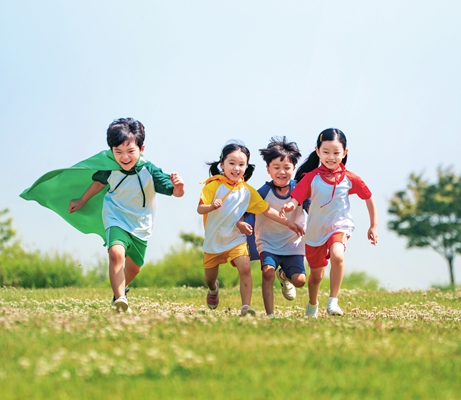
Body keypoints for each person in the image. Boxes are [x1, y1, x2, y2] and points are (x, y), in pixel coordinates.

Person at [21, 118, 184, 313]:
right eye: (118, 152)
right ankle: (121, 300)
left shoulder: (150, 171)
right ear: (112, 150)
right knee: (116, 254)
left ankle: (118, 293)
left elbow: (175, 192)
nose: (124, 157)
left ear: (142, 149)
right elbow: (98, 183)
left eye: (130, 151)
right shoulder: (109, 167)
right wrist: (81, 200)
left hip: (141, 224)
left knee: (134, 269)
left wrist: (179, 187)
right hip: (115, 216)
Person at [197, 142, 304, 317]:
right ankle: (213, 289)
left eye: (241, 164)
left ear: (246, 167)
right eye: (231, 163)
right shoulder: (212, 186)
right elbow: (200, 209)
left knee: (245, 268)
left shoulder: (247, 191)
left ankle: (246, 307)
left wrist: (288, 223)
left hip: (236, 239)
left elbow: (266, 210)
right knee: (209, 278)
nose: (236, 168)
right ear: (222, 164)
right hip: (214, 240)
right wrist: (211, 207)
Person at [282, 128, 377, 318]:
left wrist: (373, 225)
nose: (331, 157)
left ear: (345, 153)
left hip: (339, 226)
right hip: (316, 231)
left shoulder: (350, 178)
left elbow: (368, 197)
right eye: (325, 152)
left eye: (336, 153)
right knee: (316, 276)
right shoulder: (312, 177)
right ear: (317, 152)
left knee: (338, 256)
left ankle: (333, 301)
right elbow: (297, 196)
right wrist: (290, 206)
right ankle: (312, 304)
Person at [241, 137, 307, 318]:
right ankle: (270, 315)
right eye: (276, 167)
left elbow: (312, 207)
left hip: (293, 243)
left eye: (287, 167)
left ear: (294, 168)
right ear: (268, 169)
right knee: (268, 273)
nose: (282, 172)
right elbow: (246, 209)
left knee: (300, 281)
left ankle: (285, 276)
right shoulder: (263, 192)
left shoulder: (301, 189)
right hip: (268, 242)